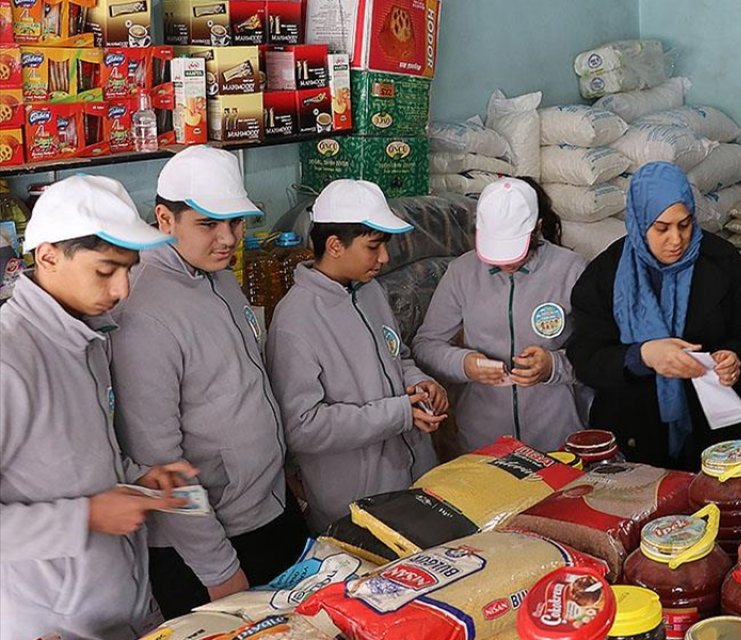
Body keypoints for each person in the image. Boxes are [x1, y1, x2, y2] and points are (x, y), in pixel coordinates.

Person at [110, 146, 309, 618]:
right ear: (164, 218)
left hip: (268, 510)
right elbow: (159, 460)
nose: (228, 239)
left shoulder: (218, 278)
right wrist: (218, 569)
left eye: (236, 223)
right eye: (208, 225)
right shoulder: (144, 314)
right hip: (210, 546)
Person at [0, 175, 196, 640]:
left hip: (124, 603)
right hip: (53, 625)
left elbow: (70, 458)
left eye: (129, 269)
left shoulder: (88, 335)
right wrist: (85, 516)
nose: (123, 290)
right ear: (47, 256)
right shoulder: (9, 359)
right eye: (106, 271)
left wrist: (134, 477)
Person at [266, 180, 449, 531]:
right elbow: (303, 427)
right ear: (335, 245)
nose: (384, 258)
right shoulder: (297, 320)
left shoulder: (369, 292)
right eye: (373, 247)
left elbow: (399, 356)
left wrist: (420, 383)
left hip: (413, 480)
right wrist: (399, 413)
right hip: (358, 506)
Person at [568, 161, 741, 470]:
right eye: (661, 228)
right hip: (634, 431)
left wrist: (735, 356)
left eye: (685, 224)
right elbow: (586, 358)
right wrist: (642, 355)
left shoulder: (722, 263)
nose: (676, 240)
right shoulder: (605, 275)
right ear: (638, 220)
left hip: (717, 433)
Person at [414, 177, 589, 454]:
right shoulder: (463, 272)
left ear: (538, 228)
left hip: (557, 435)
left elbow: (598, 353)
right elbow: (426, 345)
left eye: (514, 250)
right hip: (483, 440)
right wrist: (464, 364)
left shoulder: (572, 271)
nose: (506, 262)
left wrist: (552, 366)